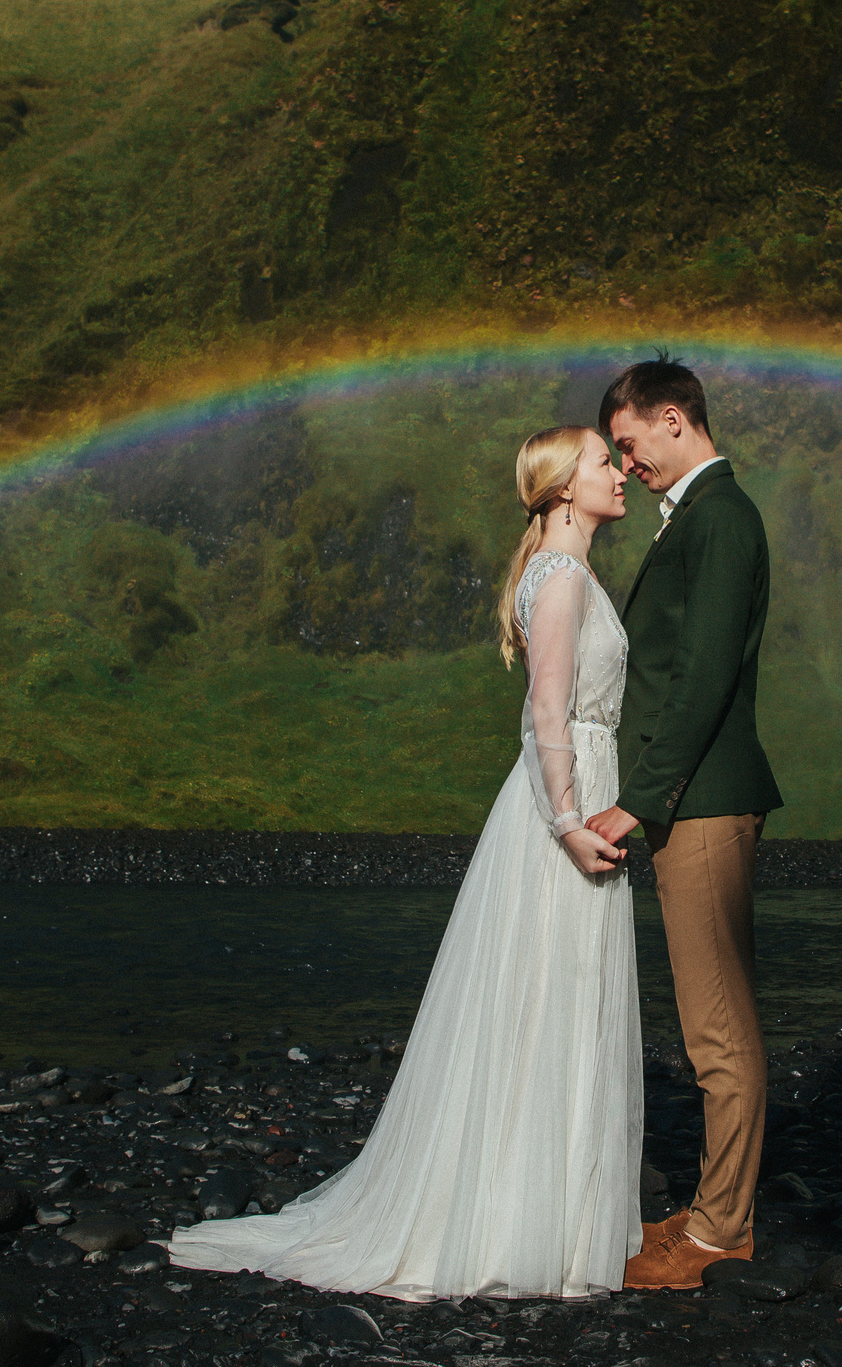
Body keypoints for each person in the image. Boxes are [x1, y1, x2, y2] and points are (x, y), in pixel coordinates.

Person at [164, 426, 642, 1299]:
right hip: (564, 813)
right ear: (564, 487)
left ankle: (544, 1213)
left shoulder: (569, 573)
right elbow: (545, 716)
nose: (620, 471)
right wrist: (571, 824)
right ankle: (522, 1225)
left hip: (574, 798)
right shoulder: (565, 578)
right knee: (547, 997)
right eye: (603, 461)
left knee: (552, 1000)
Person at [588, 358, 783, 1289]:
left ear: (674, 418)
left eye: (629, 443)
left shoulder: (723, 519)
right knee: (711, 1019)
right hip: (694, 798)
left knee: (717, 1027)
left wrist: (642, 798)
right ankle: (712, 1212)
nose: (625, 465)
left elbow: (701, 675)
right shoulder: (706, 519)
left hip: (700, 799)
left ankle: (718, 1234)